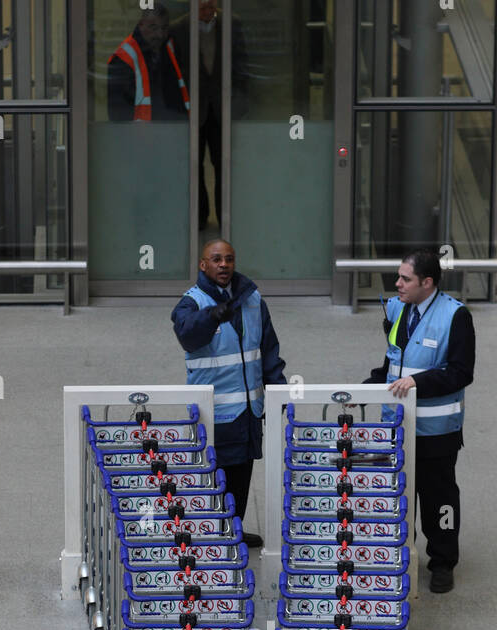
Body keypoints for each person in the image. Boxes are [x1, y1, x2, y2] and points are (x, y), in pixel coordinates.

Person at [364, 249, 475, 594]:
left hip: (436, 431)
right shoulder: (398, 308)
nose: (397, 284)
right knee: (398, 495)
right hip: (396, 427)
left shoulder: (455, 316)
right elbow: (392, 364)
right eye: (398, 277)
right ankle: (398, 555)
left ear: (427, 283)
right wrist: (364, 388)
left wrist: (419, 382)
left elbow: (461, 373)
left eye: (405, 279)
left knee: (439, 499)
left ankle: (442, 562)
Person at [171, 239, 286, 547]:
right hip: (215, 410)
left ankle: (232, 529)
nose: (224, 264)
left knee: (241, 473)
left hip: (248, 409)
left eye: (229, 259)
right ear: (203, 265)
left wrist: (278, 391)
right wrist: (212, 317)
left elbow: (268, 348)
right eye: (217, 259)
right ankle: (213, 534)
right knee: (213, 476)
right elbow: (187, 336)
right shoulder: (192, 302)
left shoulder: (252, 299)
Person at [172, 2, 250, 229]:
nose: (207, 12)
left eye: (210, 7)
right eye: (202, 7)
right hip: (191, 108)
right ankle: (200, 217)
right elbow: (174, 68)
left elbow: (241, 62)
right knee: (193, 166)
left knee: (223, 164)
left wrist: (239, 103)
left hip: (221, 107)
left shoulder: (231, 23)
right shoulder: (179, 28)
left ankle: (225, 216)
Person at [107, 3, 189, 123]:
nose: (160, 34)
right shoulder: (125, 57)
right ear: (140, 24)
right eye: (153, 27)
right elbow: (118, 113)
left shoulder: (169, 46)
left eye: (164, 28)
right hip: (140, 136)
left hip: (172, 129)